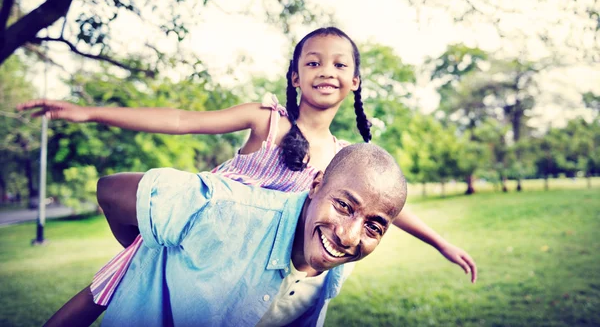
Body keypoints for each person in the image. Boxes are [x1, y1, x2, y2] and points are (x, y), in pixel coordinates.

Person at [20, 27, 476, 322]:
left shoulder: (341, 158)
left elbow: (386, 210)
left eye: (340, 64)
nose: (326, 71)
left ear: (355, 81)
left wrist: (442, 243)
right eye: (313, 62)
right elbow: (181, 120)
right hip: (201, 233)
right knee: (103, 291)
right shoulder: (268, 119)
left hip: (242, 269)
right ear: (294, 76)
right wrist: (87, 113)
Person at [55, 143, 408, 327]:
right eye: (344, 206)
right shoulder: (221, 208)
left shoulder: (339, 262)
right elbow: (110, 191)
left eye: (373, 226)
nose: (348, 236)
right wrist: (154, 248)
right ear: (316, 185)